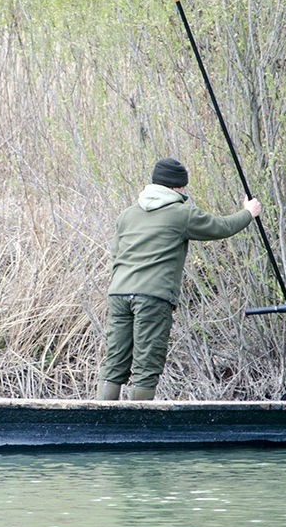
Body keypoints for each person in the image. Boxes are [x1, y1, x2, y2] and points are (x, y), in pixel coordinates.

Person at [97, 157, 262, 401]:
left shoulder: (127, 215)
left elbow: (115, 253)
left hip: (119, 293)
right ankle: (138, 428)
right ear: (176, 188)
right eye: (183, 187)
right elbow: (221, 227)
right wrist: (248, 213)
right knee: (146, 365)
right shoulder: (181, 214)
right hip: (152, 296)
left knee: (115, 361)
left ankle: (102, 421)